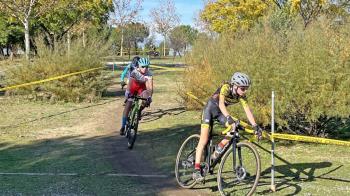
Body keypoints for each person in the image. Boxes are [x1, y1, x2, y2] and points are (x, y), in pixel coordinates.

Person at [192, 72, 262, 182]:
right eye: (243, 88)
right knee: (204, 139)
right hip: (210, 110)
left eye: (246, 88)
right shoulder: (226, 87)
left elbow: (247, 110)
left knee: (234, 128)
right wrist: (229, 117)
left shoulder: (241, 96)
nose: (245, 91)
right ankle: (196, 170)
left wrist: (255, 126)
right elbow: (220, 104)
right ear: (235, 85)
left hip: (220, 113)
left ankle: (219, 147)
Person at [119, 57, 153, 136]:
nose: (145, 68)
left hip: (141, 88)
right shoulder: (134, 72)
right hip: (132, 87)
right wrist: (128, 93)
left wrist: (149, 97)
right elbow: (129, 84)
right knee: (128, 105)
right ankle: (123, 126)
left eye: (147, 66)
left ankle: (139, 110)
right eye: (143, 66)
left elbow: (150, 87)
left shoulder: (149, 74)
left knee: (146, 100)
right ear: (139, 66)